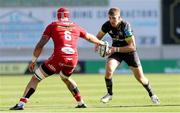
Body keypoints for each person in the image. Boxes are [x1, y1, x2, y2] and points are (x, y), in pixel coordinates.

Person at [10, 7, 107, 110]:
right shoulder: (75, 26)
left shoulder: (53, 25)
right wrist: (100, 42)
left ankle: (21, 103)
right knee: (66, 78)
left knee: (36, 78)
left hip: (59, 57)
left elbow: (40, 45)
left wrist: (33, 61)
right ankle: (81, 102)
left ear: (58, 16)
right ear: (68, 16)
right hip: (73, 58)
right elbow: (89, 37)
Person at [96, 7, 160, 104]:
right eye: (110, 18)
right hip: (116, 52)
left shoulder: (125, 26)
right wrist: (97, 44)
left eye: (114, 18)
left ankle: (152, 94)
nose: (111, 20)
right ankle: (109, 94)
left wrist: (114, 49)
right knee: (108, 69)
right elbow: (98, 37)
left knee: (141, 79)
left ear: (119, 17)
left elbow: (133, 47)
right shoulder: (107, 25)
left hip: (129, 52)